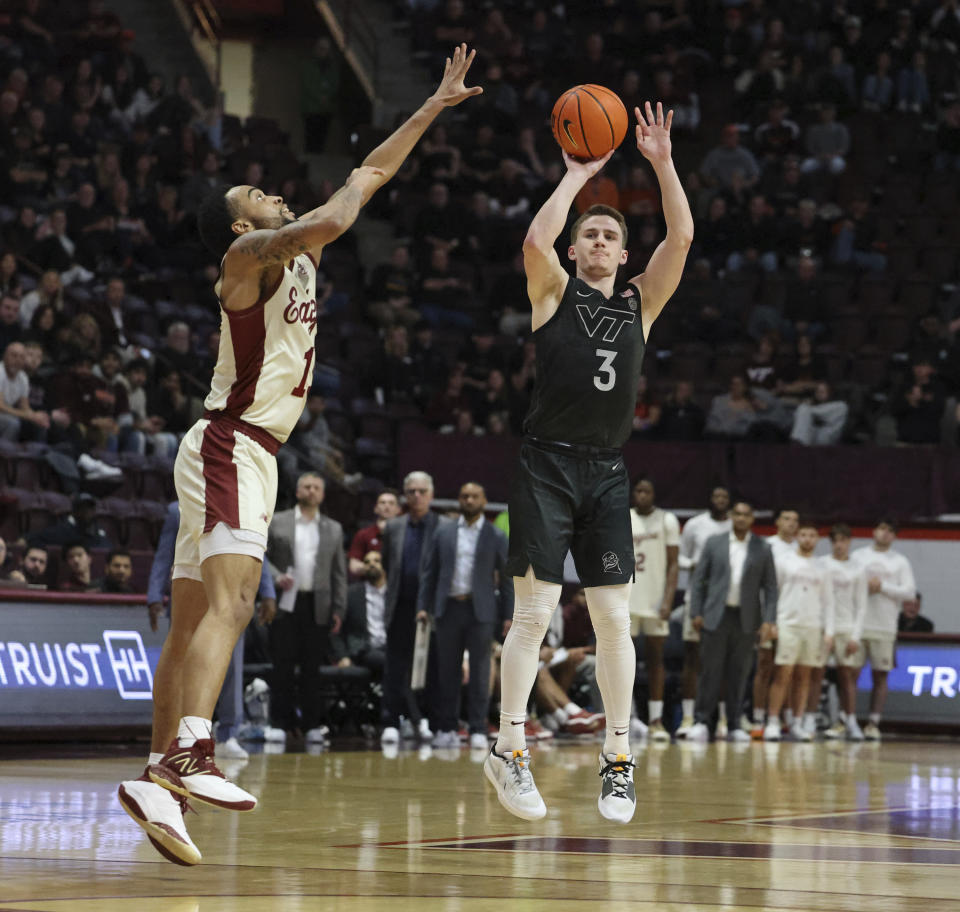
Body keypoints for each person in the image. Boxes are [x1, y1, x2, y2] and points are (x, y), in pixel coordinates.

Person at [117, 44, 483, 867]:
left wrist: (431, 105)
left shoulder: (290, 252)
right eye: (259, 194)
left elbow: (369, 178)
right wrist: (334, 201)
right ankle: (190, 751)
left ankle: (151, 776)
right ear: (243, 225)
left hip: (235, 447)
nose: (274, 190)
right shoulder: (243, 261)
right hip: (232, 444)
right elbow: (336, 213)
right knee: (234, 603)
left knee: (187, 625)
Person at [485, 101, 692, 825]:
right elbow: (534, 238)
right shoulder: (552, 293)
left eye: (610, 234)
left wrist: (661, 163)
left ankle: (619, 756)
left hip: (606, 471)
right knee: (535, 612)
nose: (600, 240)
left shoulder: (641, 304)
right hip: (546, 463)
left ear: (623, 254)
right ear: (576, 253)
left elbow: (683, 235)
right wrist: (576, 178)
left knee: (613, 620)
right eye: (590, 236)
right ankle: (508, 747)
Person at [147, 501, 279, 759]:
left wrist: (269, 592)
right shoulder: (178, 509)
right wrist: (154, 596)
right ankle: (176, 737)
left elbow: (255, 550)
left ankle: (229, 732)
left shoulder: (240, 500)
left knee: (231, 667)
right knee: (181, 660)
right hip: (189, 593)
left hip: (228, 596)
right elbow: (165, 555)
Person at [418, 482, 513, 749]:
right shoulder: (444, 532)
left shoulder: (495, 535)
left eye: (474, 496)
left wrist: (508, 614)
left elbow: (506, 580)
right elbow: (430, 572)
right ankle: (447, 726)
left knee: (481, 672)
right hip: (448, 608)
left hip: (480, 610)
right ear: (459, 501)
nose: (469, 500)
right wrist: (423, 606)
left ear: (484, 500)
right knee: (447, 670)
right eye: (464, 496)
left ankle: (478, 728)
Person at [686, 501, 778, 743]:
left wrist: (769, 619)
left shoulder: (763, 547)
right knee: (710, 672)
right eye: (736, 514)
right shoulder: (714, 542)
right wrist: (696, 610)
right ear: (730, 517)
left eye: (746, 514)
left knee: (740, 672)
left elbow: (770, 588)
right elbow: (699, 580)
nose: (740, 518)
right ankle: (702, 721)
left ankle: (735, 723)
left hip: (746, 618)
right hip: (716, 614)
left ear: (752, 518)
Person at [265, 473, 346, 743]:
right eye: (306, 487)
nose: (311, 491)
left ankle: (312, 724)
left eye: (316, 487)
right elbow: (261, 556)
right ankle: (280, 722)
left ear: (322, 494)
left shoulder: (333, 528)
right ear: (297, 491)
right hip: (285, 600)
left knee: (313, 668)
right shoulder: (278, 521)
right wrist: (276, 576)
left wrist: (339, 608)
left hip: (318, 603)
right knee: (283, 664)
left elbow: (339, 573)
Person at [380, 470, 441, 745]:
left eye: (421, 491)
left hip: (430, 608)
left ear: (431, 495)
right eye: (411, 491)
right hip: (400, 604)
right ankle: (391, 721)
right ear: (405, 495)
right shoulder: (393, 527)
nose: (416, 496)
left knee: (430, 667)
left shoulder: (442, 526)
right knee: (395, 666)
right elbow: (386, 564)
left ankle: (426, 720)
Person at [763, 521, 833, 742]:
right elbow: (773, 593)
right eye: (803, 534)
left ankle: (798, 722)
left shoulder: (823, 567)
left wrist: (829, 630)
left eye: (812, 535)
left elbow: (828, 602)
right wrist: (771, 621)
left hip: (812, 626)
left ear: (817, 539)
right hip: (788, 623)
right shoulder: (784, 562)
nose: (807, 539)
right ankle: (773, 721)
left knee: (804, 677)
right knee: (782, 673)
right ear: (797, 536)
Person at [850, 519, 916, 740]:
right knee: (850, 674)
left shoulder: (900, 562)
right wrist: (864, 586)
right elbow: (846, 583)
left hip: (885, 626)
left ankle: (873, 723)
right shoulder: (859, 556)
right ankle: (846, 719)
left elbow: (909, 593)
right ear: (873, 531)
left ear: (894, 536)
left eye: (890, 531)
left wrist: (883, 587)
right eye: (881, 529)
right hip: (857, 625)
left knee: (880, 675)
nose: (885, 533)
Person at [626, 475, 680, 741]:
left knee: (656, 659)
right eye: (638, 490)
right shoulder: (623, 518)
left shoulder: (667, 520)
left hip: (656, 600)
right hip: (628, 598)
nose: (642, 495)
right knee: (624, 660)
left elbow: (673, 564)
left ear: (654, 494)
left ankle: (656, 720)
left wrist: (668, 600)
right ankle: (626, 719)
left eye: (647, 490)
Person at [676, 486, 732, 738]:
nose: (719, 500)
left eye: (724, 497)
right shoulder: (695, 525)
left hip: (725, 603)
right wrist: (695, 565)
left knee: (721, 661)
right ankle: (688, 717)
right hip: (696, 599)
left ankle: (720, 720)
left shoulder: (735, 528)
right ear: (709, 499)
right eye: (716, 496)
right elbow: (679, 558)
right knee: (693, 659)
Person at [751, 506, 799, 735]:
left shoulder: (801, 549)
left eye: (795, 520)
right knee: (764, 665)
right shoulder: (766, 545)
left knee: (786, 669)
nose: (791, 523)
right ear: (777, 521)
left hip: (792, 619)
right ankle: (758, 717)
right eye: (787, 518)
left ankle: (782, 717)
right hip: (768, 616)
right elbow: (759, 585)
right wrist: (763, 619)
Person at [820, 524, 867, 741]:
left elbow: (862, 606)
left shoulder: (858, 569)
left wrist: (856, 636)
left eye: (843, 540)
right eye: (835, 541)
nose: (839, 545)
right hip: (822, 628)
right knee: (813, 675)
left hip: (846, 628)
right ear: (831, 543)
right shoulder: (821, 564)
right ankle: (806, 719)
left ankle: (850, 720)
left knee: (846, 677)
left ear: (849, 542)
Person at [331, 550, 387, 674]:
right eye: (366, 562)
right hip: (365, 649)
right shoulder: (351, 594)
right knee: (391, 662)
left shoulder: (394, 594)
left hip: (390, 647)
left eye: (376, 561)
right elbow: (335, 629)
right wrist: (342, 656)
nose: (371, 564)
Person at [347, 488, 400, 577]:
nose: (387, 506)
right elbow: (353, 565)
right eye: (382, 502)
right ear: (375, 508)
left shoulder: (406, 534)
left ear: (398, 509)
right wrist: (374, 569)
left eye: (391, 503)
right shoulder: (363, 534)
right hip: (370, 586)